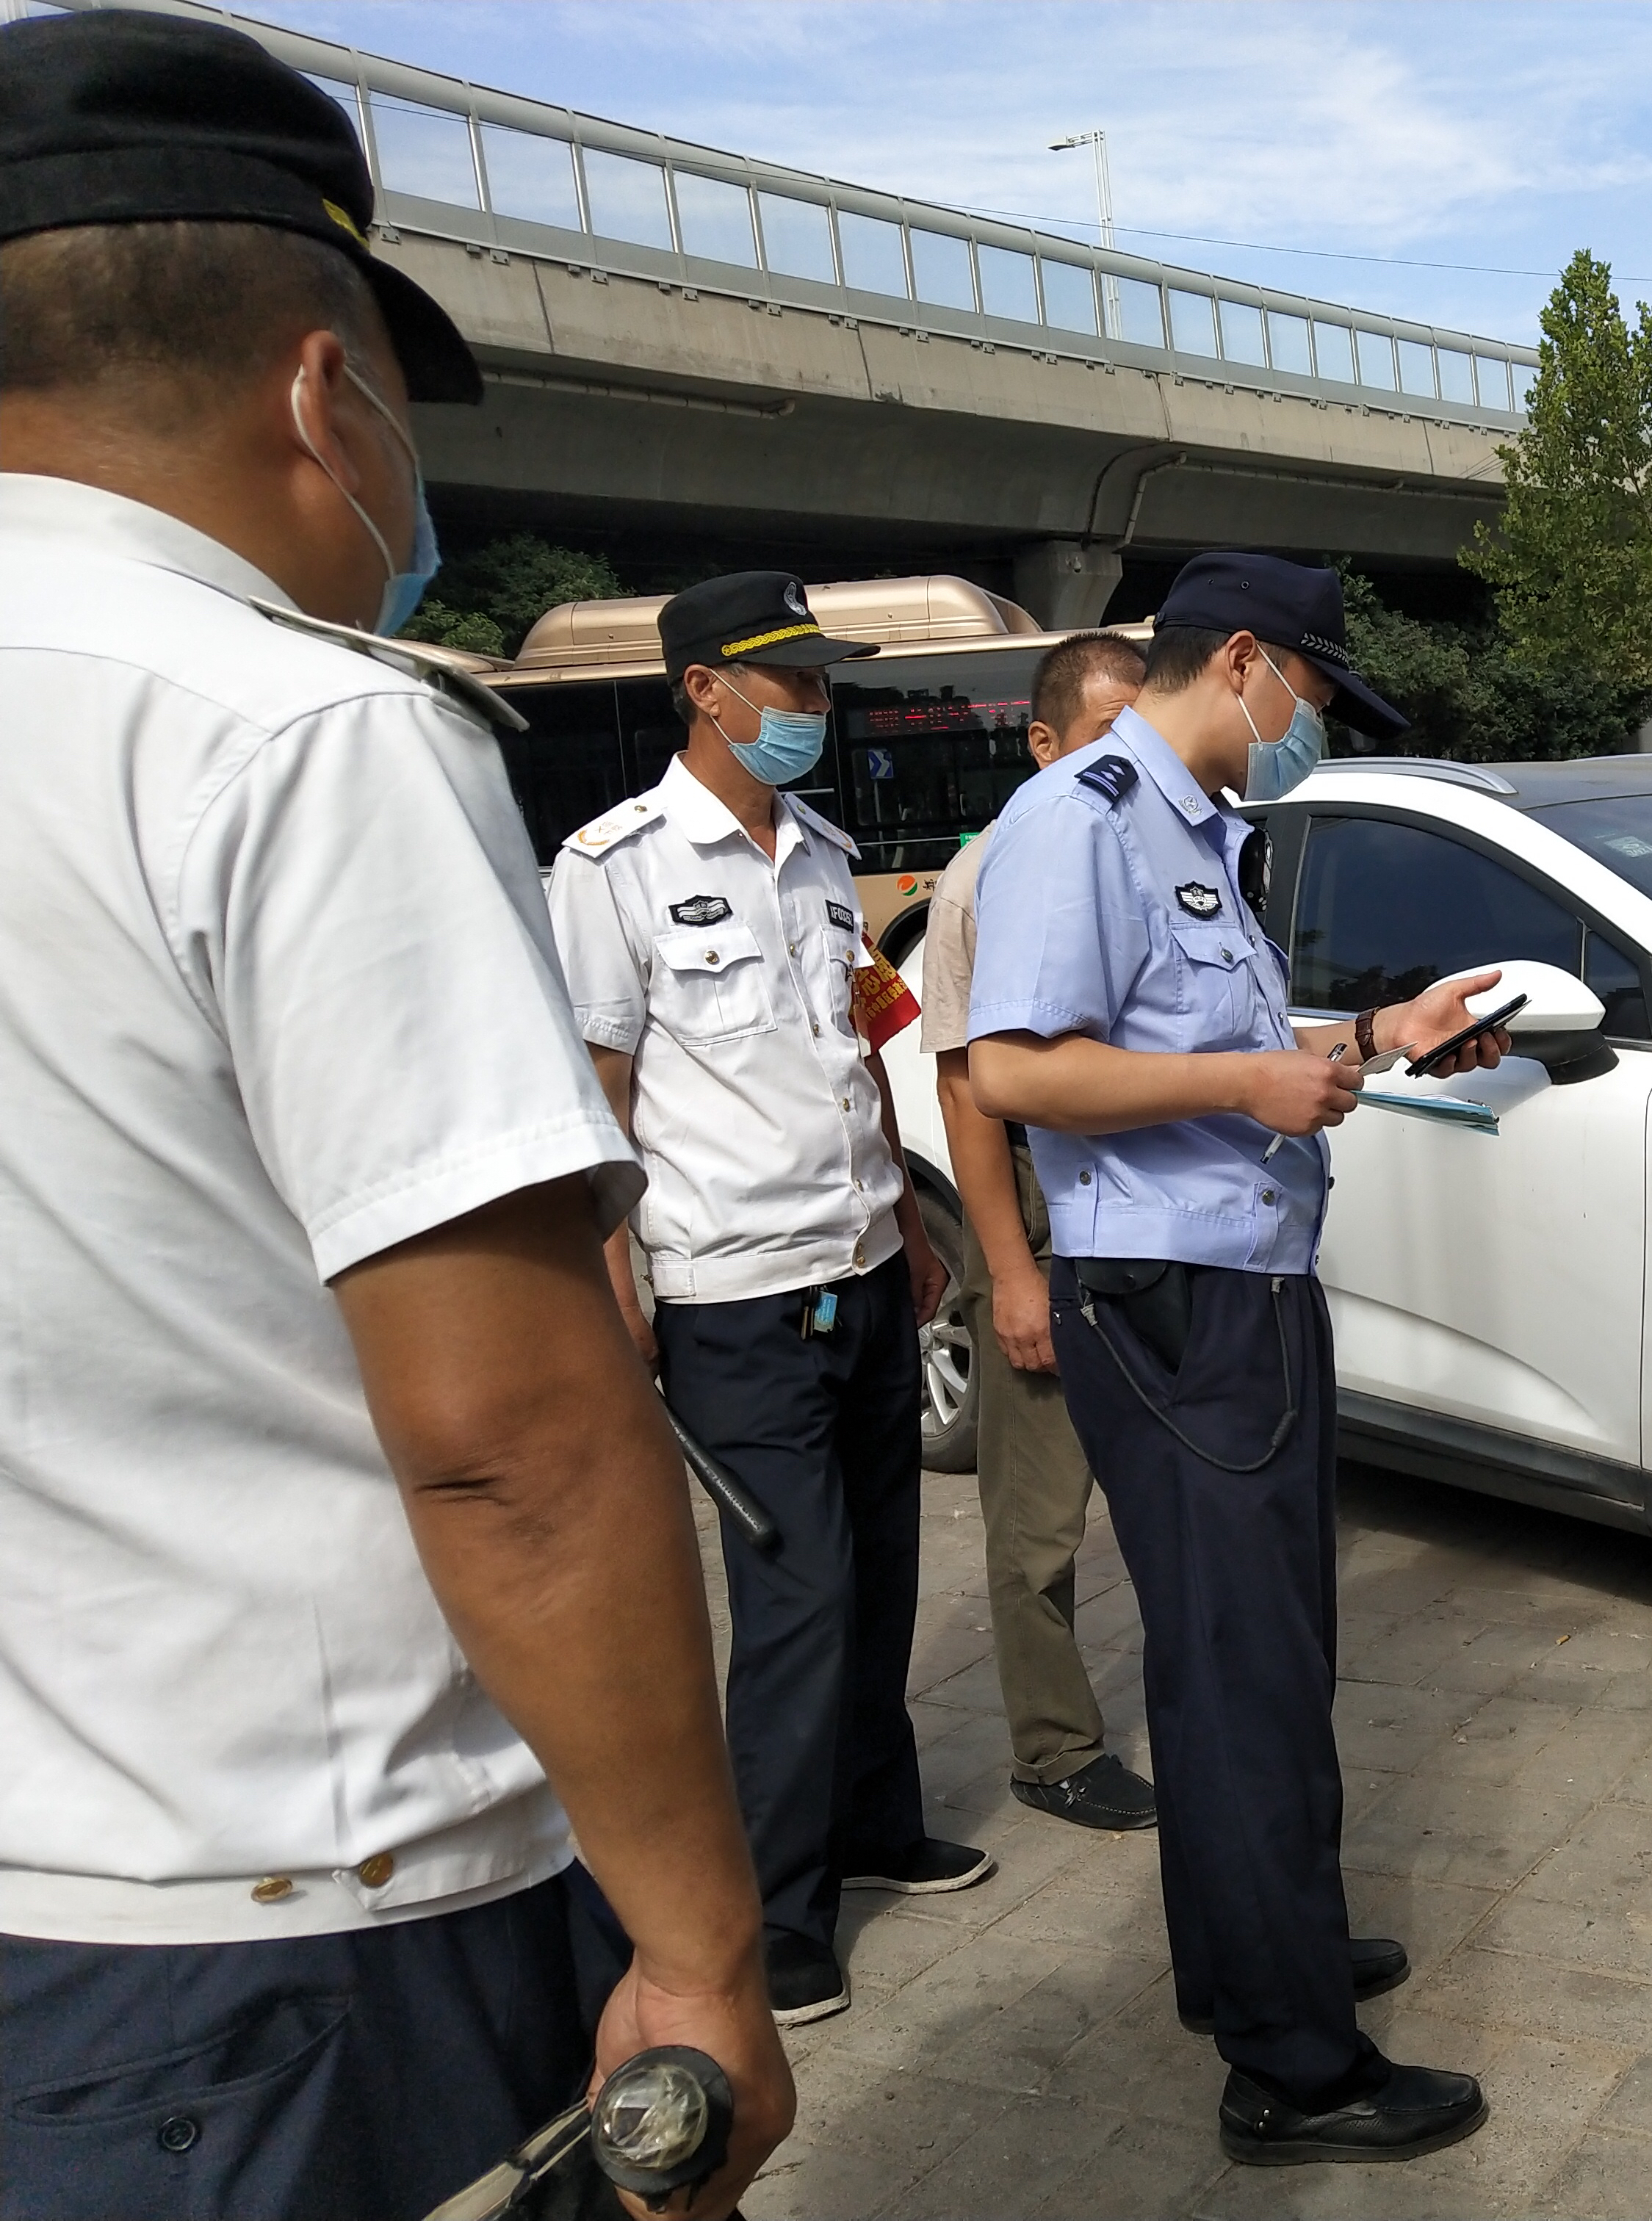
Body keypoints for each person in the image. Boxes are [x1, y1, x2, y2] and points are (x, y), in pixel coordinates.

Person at [0, 15, 788, 2218]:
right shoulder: (292, 736)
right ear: (321, 394)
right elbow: (513, 1441)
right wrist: (703, 1954)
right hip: (299, 1937)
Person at [967, 553, 1498, 2167]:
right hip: (1179, 1303)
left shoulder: (1204, 829)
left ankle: (1267, 1952)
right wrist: (1248, 1090)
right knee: (1240, 1675)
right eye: (1317, 698)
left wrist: (1372, 1041)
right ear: (1249, 662)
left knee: (1264, 1656)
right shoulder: (1083, 818)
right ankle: (1292, 2066)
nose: (1313, 730)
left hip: (1248, 1291)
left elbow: (1220, 1055)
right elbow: (1012, 1068)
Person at [547, 571, 984, 2030]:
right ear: (707, 692)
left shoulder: (824, 854)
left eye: (820, 683)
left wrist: (907, 1214)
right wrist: (617, 1294)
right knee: (793, 1597)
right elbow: (598, 1103)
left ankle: (875, 1820)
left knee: (879, 1568)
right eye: (788, 682)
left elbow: (866, 1042)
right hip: (732, 1292)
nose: (813, 705)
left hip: (862, 1264)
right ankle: (777, 1910)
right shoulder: (609, 870)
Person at [922, 629, 1161, 1830]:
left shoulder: (1144, 854)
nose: (1132, 760)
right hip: (1042, 1235)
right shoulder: (990, 877)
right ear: (1045, 742)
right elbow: (967, 1094)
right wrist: (1009, 1276)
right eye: (1110, 735)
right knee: (1038, 1528)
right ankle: (1055, 1749)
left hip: (1139, 1229)